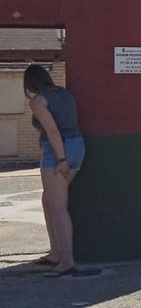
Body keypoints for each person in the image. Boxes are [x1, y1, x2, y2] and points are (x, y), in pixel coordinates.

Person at [24, 64, 85, 277]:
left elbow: (51, 130)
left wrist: (61, 159)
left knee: (58, 207)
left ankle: (66, 259)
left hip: (58, 151)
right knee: (48, 200)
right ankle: (56, 252)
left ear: (29, 83)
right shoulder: (66, 94)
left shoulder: (38, 101)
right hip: (78, 145)